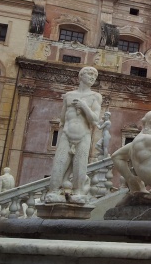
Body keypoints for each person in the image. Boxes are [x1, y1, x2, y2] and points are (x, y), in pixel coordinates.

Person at [46, 67, 102, 204]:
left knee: (80, 166)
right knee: (59, 164)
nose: (92, 77)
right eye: (89, 74)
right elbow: (62, 119)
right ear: (81, 76)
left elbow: (94, 120)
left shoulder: (96, 97)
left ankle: (79, 192)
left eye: (95, 75)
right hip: (66, 134)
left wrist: (84, 106)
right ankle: (53, 191)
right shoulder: (69, 95)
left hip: (84, 135)